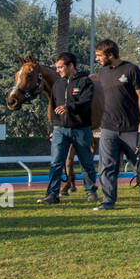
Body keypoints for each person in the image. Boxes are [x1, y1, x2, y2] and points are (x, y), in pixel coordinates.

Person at [91, 39, 140, 211]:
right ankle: (108, 201)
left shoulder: (131, 70)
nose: (97, 59)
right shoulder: (102, 73)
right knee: (106, 166)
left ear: (110, 54)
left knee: (139, 165)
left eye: (99, 56)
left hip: (131, 128)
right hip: (108, 128)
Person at [36, 52, 97, 204]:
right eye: (56, 68)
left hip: (81, 129)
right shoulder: (58, 84)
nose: (58, 70)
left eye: (60, 67)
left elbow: (86, 102)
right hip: (60, 130)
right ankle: (52, 195)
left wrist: (69, 107)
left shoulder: (85, 82)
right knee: (56, 163)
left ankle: (90, 192)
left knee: (86, 162)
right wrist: (54, 128)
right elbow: (54, 107)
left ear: (71, 66)